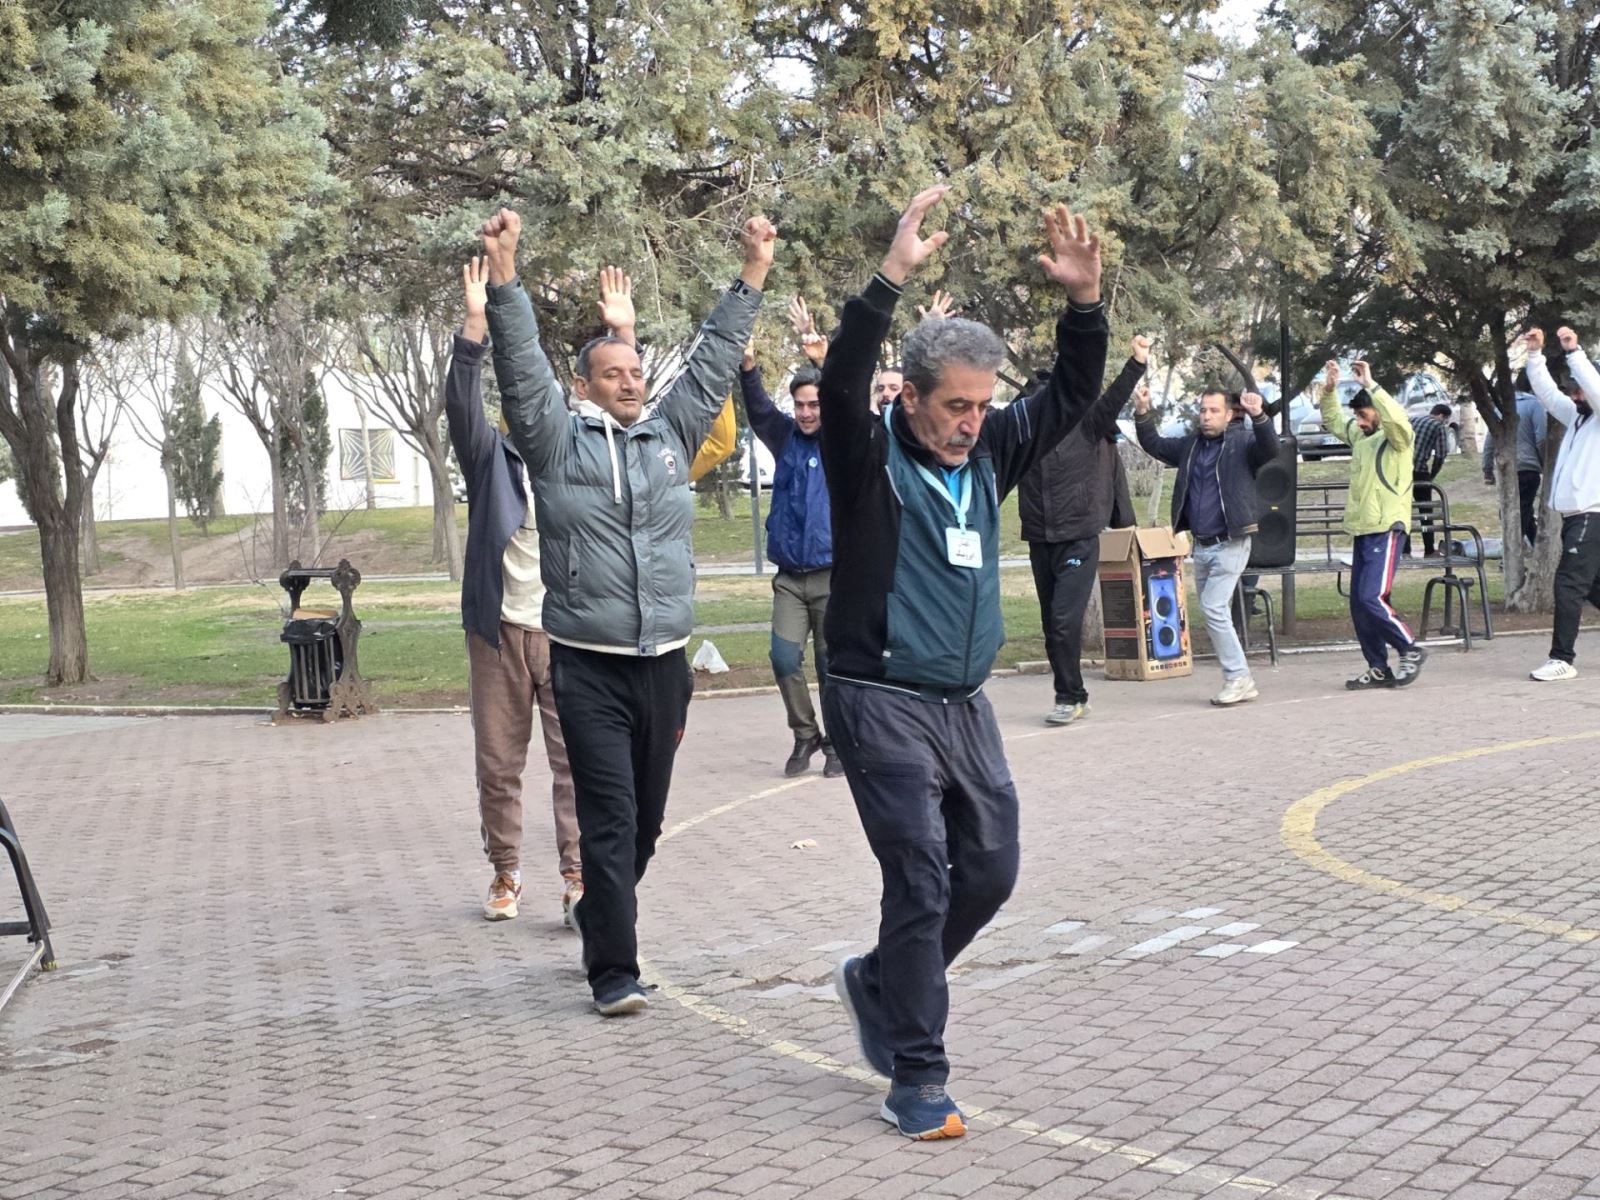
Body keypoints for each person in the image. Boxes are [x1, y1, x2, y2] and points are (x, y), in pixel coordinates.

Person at [822, 187, 1108, 1139]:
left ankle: (880, 980)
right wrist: (889, 277)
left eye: (982, 406)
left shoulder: (990, 453)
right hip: (877, 698)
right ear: (910, 397)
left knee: (989, 872)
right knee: (921, 876)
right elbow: (843, 375)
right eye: (955, 406)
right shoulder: (867, 459)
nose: (971, 422)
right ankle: (917, 1075)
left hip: (965, 704)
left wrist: (1084, 304)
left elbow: (1070, 395)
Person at [480, 207, 773, 1016]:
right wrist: (505, 274)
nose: (630, 381)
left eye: (636, 371)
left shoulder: (670, 437)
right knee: (609, 820)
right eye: (612, 373)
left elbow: (712, 362)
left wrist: (752, 273)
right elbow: (520, 368)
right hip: (588, 666)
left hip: (665, 665)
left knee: (643, 827)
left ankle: (601, 912)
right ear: (583, 387)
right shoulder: (556, 442)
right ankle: (614, 971)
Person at [446, 257, 581, 926]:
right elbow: (459, 406)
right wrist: (474, 327)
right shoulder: (490, 458)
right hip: (499, 633)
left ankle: (578, 877)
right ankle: (506, 872)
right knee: (498, 764)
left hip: (567, 633)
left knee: (574, 764)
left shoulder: (573, 457)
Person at [1017, 336, 1149, 725]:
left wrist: (1137, 363)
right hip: (1039, 537)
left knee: (1063, 621)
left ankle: (1069, 697)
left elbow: (1114, 397)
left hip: (1078, 538)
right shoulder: (1024, 430)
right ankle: (1072, 693)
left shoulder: (1088, 422)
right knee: (1051, 627)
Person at [1132, 384, 1279, 706]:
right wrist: (1142, 412)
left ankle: (1239, 677)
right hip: (1201, 545)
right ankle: (1240, 679)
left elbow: (1271, 450)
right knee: (1214, 610)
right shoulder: (1191, 445)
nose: (1206, 416)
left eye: (1214, 411)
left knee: (1213, 607)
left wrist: (1259, 416)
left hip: (1231, 542)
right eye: (1203, 410)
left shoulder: (1242, 443)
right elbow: (1155, 445)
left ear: (1229, 415)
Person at [738, 343, 841, 777]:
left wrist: (825, 365)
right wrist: (748, 367)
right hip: (790, 580)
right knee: (783, 658)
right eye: (799, 405)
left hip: (832, 577)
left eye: (814, 404)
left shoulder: (840, 441)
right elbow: (759, 409)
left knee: (830, 664)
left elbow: (850, 405)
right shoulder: (785, 438)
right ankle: (805, 735)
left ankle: (837, 743)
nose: (805, 413)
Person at [1318, 360, 1428, 690]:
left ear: (1378, 412)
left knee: (1372, 597)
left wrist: (1371, 386)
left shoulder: (1399, 440)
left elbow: (1396, 420)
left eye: (1364, 415)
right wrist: (1329, 389)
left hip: (1387, 528)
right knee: (1359, 605)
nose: (1359, 422)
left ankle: (1410, 648)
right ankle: (1378, 668)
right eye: (1357, 416)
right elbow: (1333, 420)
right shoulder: (1361, 436)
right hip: (1363, 529)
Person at [1523, 327, 1600, 682]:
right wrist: (1534, 355)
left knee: (1568, 584)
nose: (1575, 393)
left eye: (1580, 387)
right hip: (1577, 516)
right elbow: (1548, 395)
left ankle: (1562, 659)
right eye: (1573, 388)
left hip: (1591, 513)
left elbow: (1594, 387)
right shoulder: (1578, 418)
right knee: (1592, 585)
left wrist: (1573, 351)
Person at [1406, 403, 1454, 557]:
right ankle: (1429, 549)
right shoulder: (1438, 426)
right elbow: (1441, 454)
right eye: (1446, 420)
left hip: (1401, 472)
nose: (1445, 423)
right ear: (1441, 416)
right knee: (1426, 512)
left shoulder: (1412, 420)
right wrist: (1432, 475)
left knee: (1403, 511)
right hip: (1419, 472)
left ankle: (1405, 550)